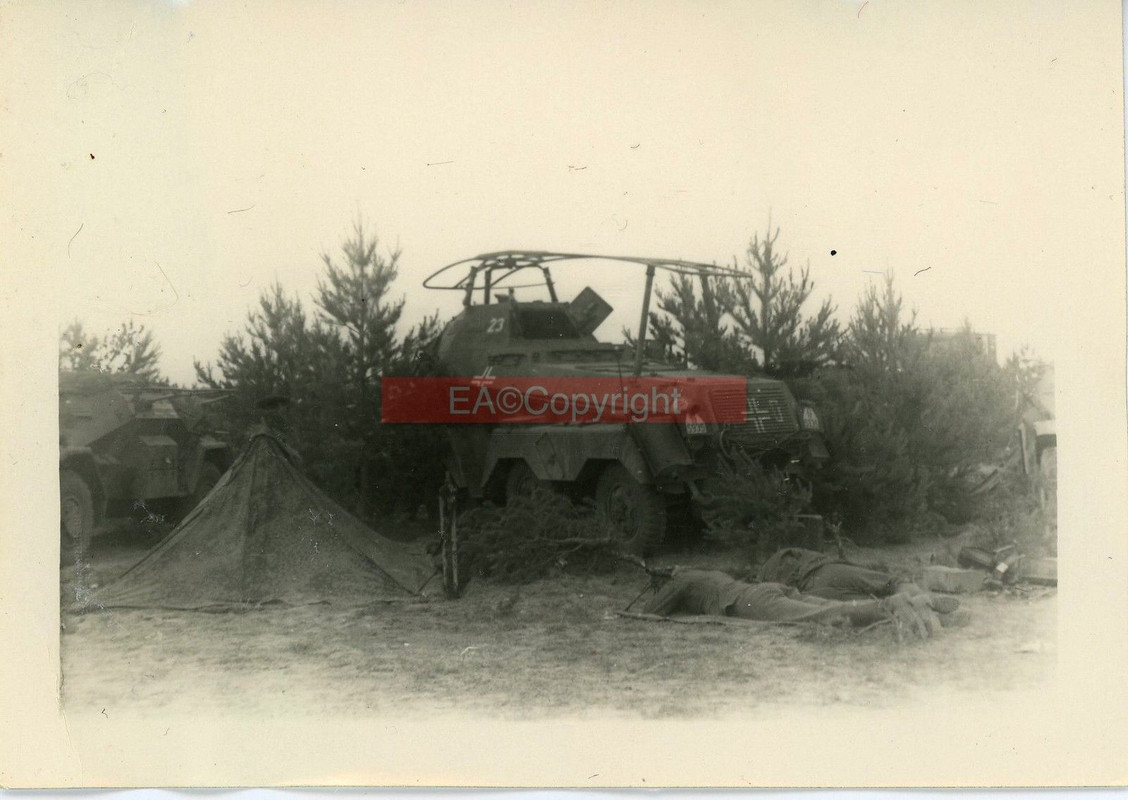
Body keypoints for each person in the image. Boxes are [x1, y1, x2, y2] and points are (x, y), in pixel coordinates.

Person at [641, 568, 946, 639]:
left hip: (748, 602)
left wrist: (663, 584)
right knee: (824, 604)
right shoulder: (707, 574)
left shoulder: (680, 581)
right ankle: (904, 601)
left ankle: (891, 604)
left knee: (821, 614)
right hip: (768, 588)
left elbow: (652, 612)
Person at [757, 547, 959, 614]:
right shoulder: (784, 554)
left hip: (812, 593)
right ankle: (927, 600)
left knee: (871, 603)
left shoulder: (760, 584)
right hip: (826, 571)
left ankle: (915, 608)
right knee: (891, 582)